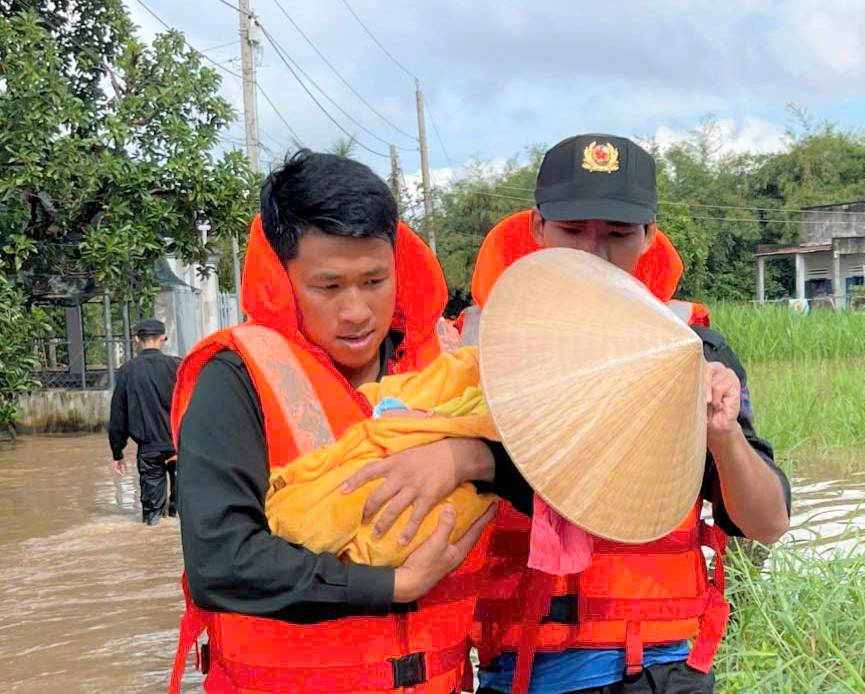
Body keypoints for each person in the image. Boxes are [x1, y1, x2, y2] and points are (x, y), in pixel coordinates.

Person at [168, 150, 528, 693]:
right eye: (329, 287)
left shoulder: (455, 363)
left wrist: (467, 457)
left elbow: (549, 484)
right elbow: (221, 563)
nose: (357, 311)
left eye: (374, 281)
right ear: (284, 278)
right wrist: (395, 585)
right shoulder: (236, 377)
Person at [462, 134, 792, 694]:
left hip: (656, 675)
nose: (594, 253)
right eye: (572, 231)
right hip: (516, 676)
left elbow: (769, 524)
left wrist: (724, 438)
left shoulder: (695, 351)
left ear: (648, 236)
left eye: (618, 234)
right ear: (538, 228)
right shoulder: (477, 352)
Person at [108, 318, 180, 525]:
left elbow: (118, 414)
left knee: (153, 517)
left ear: (136, 339)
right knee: (183, 512)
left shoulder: (128, 371)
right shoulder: (178, 366)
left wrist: (117, 452)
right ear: (163, 338)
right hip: (180, 447)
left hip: (149, 450)